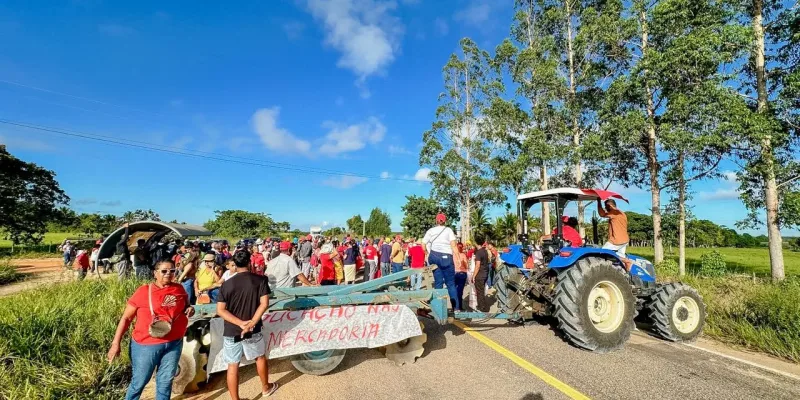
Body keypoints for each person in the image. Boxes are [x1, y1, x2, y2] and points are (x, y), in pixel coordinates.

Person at [108, 260, 194, 400]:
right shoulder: (143, 291)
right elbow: (126, 318)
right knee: (139, 382)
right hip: (146, 345)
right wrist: (115, 343)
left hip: (174, 343)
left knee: (165, 381)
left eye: (172, 271)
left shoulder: (179, 289)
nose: (168, 274)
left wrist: (190, 309)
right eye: (164, 271)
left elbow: (186, 306)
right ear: (155, 273)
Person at [217, 250, 278, 399]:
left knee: (232, 365)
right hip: (253, 329)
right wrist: (251, 323)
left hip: (232, 330)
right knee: (259, 357)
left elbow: (220, 310)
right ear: (249, 262)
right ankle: (265, 388)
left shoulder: (226, 284)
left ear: (234, 264)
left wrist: (240, 323)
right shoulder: (260, 280)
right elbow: (264, 304)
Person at [422, 213, 460, 310]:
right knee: (450, 284)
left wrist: (427, 253)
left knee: (438, 282)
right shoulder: (448, 230)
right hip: (446, 257)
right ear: (445, 221)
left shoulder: (431, 231)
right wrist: (458, 258)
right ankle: (456, 308)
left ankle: (438, 307)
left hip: (434, 256)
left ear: (436, 221)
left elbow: (423, 244)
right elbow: (453, 245)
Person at [598, 198, 630, 263]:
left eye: (606, 206)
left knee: (602, 253)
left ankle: (627, 261)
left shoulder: (614, 212)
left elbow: (601, 214)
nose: (605, 208)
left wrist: (598, 202)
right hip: (624, 239)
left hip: (616, 240)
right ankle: (624, 267)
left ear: (610, 206)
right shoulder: (621, 213)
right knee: (620, 256)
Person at [471, 237, 491, 312]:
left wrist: (473, 276)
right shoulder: (485, 251)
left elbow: (477, 265)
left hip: (480, 274)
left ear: (476, 243)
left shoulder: (479, 252)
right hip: (485, 273)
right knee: (481, 291)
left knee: (479, 292)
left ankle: (482, 307)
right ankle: (481, 305)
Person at [454, 242, 469, 311]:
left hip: (454, 274)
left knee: (454, 291)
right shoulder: (463, 255)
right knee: (460, 292)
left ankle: (454, 307)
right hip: (462, 274)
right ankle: (459, 307)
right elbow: (467, 266)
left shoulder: (453, 255)